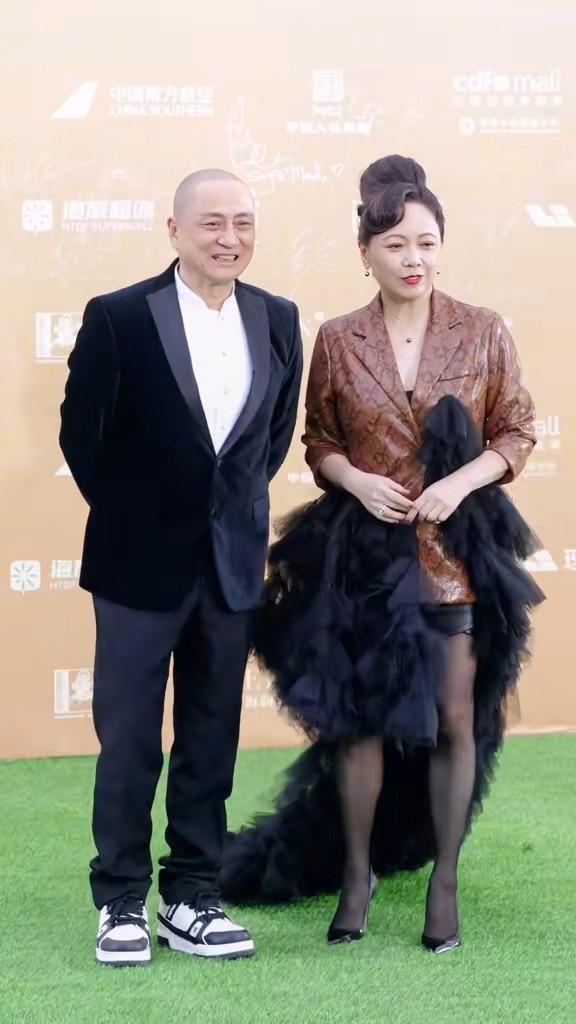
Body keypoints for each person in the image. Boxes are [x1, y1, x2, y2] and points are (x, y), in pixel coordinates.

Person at [219, 155, 544, 953]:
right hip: (362, 555)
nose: (413, 259)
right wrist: (356, 480)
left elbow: (515, 431)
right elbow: (318, 440)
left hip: (455, 557)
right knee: (358, 724)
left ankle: (445, 880)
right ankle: (357, 875)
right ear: (366, 252)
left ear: (442, 246)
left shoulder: (482, 328)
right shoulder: (337, 338)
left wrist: (459, 484)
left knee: (456, 719)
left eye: (426, 243)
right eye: (396, 245)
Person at [59, 168, 303, 967]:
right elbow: (82, 437)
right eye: (211, 223)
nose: (229, 238)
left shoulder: (277, 318)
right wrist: (141, 517)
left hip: (232, 566)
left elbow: (268, 440)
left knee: (210, 738)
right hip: (137, 565)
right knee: (130, 739)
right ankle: (120, 899)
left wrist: (226, 517)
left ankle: (193, 897)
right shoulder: (120, 316)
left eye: (243, 223)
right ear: (174, 230)